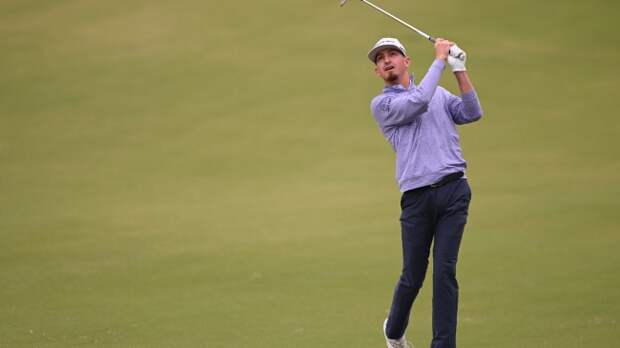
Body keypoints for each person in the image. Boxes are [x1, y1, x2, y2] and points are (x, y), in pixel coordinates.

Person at [368, 37, 483, 348]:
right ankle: (393, 331)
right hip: (417, 198)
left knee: (445, 272)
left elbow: (472, 112)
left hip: (453, 191)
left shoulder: (440, 93)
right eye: (380, 59)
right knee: (413, 276)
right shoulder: (383, 105)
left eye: (393, 54)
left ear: (407, 62)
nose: (387, 60)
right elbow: (417, 102)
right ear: (378, 71)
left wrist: (459, 69)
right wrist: (440, 60)